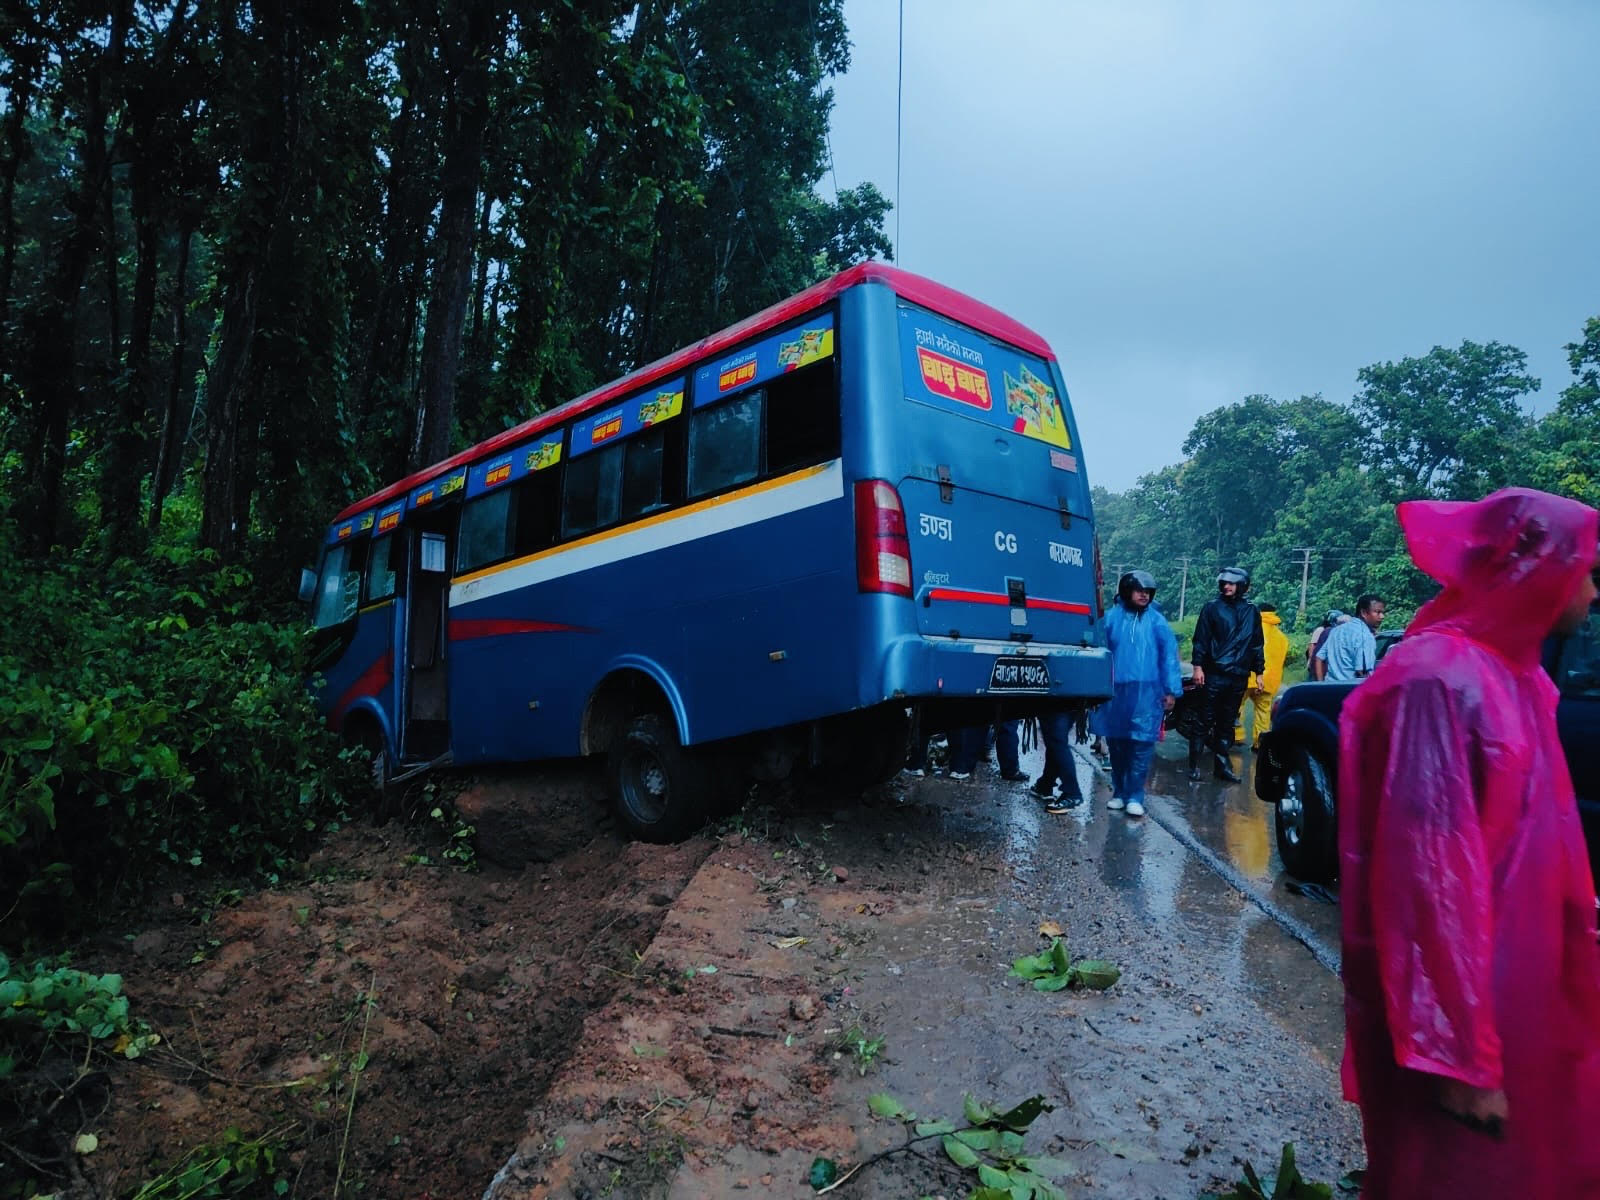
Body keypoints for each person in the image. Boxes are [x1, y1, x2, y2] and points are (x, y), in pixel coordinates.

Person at [1339, 487, 1600, 1198]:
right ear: (1535, 566)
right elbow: (1426, 879)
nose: (1593, 590)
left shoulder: (1521, 678)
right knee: (1448, 1177)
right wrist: (1454, 1054)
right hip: (1464, 1019)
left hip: (1521, 988)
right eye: (1587, 570)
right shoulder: (1439, 679)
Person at [1089, 570, 1182, 818]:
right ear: (1126, 591)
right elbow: (1097, 653)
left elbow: (1169, 658)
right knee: (1117, 744)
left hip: (1148, 691)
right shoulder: (1110, 620)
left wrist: (1171, 690)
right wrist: (1093, 688)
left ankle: (1135, 795)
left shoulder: (1157, 622)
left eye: (1148, 592)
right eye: (1140, 590)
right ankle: (1119, 792)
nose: (1144, 595)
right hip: (1116, 691)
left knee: (1141, 744)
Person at [1188, 566, 1264, 783]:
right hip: (1214, 673)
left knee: (1227, 722)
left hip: (1239, 675)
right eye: (1224, 583)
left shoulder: (1252, 611)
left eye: (1231, 583)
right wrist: (1197, 666)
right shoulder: (1212, 608)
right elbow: (1201, 639)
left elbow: (1257, 643)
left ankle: (1222, 767)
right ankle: (1194, 767)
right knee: (1204, 720)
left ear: (1242, 586)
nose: (1226, 586)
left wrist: (1259, 671)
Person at [1234, 601, 1291, 749]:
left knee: (1236, 705)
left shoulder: (1250, 629)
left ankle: (1236, 736)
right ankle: (1260, 742)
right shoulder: (1282, 638)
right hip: (1269, 681)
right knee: (1263, 712)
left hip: (1248, 677)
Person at [1313, 593, 1385, 681]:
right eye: (1377, 612)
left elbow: (1319, 658)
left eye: (1382, 612)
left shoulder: (1336, 631)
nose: (1382, 616)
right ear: (1363, 613)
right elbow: (1362, 672)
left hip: (1330, 688)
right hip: (1351, 690)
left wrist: (1321, 685)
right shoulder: (1366, 636)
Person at [1032, 712, 1086, 814]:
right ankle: (1045, 785)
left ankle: (1073, 793)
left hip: (1056, 701)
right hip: (1072, 700)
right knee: (1055, 741)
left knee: (1056, 740)